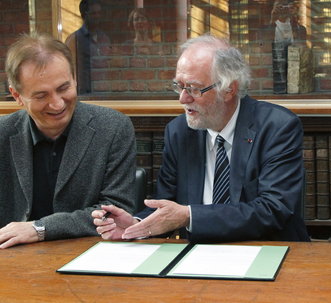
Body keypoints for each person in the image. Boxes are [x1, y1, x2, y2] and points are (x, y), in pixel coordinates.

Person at [93, 34, 309, 242]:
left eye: (194, 89)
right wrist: (136, 224)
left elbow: (272, 210)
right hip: (197, 258)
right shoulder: (178, 132)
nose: (182, 98)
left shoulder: (277, 127)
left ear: (228, 89)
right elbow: (167, 205)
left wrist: (190, 216)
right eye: (179, 85)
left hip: (268, 251)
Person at [0, 33, 136, 249]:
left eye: (64, 88)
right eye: (41, 95)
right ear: (16, 96)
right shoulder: (2, 133)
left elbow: (116, 211)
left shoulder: (113, 128)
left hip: (88, 257)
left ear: (75, 79)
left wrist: (40, 228)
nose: (57, 104)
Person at [261, 0, 307, 94]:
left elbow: (302, 49)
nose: (282, 8)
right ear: (272, 7)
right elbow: (264, 49)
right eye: (278, 5)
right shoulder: (266, 29)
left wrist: (294, 18)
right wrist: (272, 21)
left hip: (294, 72)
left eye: (285, 4)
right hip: (272, 74)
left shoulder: (299, 29)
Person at [65, 0, 111, 94]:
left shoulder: (105, 38)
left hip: (104, 92)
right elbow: (69, 70)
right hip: (84, 94)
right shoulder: (74, 40)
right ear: (83, 15)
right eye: (93, 13)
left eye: (99, 13)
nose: (97, 16)